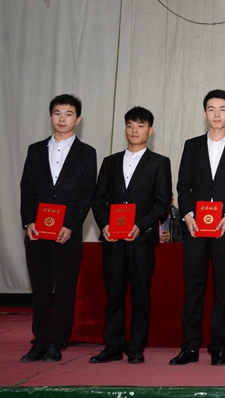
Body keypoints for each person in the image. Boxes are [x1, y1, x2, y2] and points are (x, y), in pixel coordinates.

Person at [169, 89, 225, 366]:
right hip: (194, 228)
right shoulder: (191, 146)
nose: (217, 114)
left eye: (223, 109)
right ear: (204, 114)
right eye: (212, 109)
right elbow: (183, 184)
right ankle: (190, 347)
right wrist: (188, 214)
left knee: (223, 289)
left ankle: (218, 347)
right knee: (193, 287)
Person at [89, 107, 172, 364]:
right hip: (113, 240)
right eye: (130, 125)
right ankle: (113, 346)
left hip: (141, 240)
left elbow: (162, 202)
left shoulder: (160, 162)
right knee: (113, 294)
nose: (134, 130)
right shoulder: (110, 162)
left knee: (140, 294)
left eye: (140, 125)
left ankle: (136, 346)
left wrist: (140, 225)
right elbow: (98, 199)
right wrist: (104, 224)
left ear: (150, 130)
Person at [19, 94, 97, 362]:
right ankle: (39, 341)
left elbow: (87, 193)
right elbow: (27, 188)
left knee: (64, 290)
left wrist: (72, 225)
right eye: (57, 113)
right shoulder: (35, 150)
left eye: (68, 113)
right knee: (40, 290)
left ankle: (56, 343)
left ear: (78, 119)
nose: (62, 119)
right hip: (37, 230)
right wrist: (28, 221)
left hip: (67, 232)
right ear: (50, 116)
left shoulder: (87, 153)